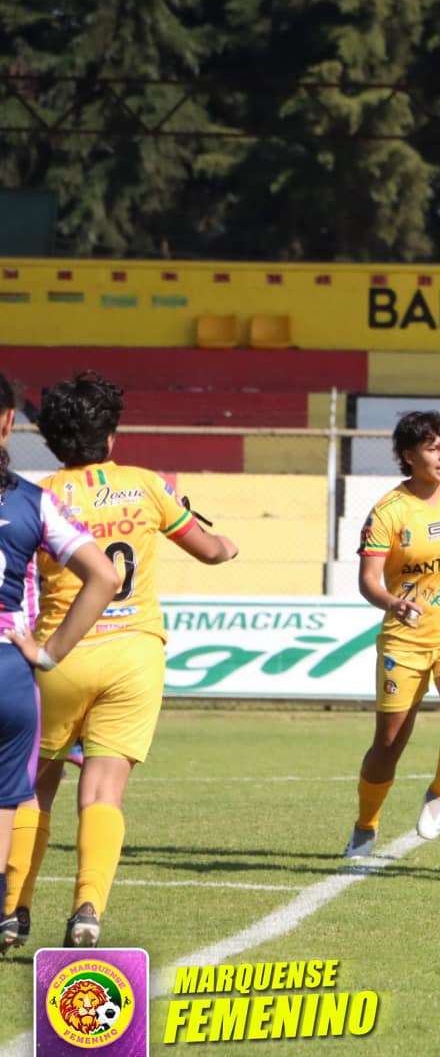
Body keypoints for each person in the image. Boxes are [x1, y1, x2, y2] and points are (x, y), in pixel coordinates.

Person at [3, 372, 236, 948]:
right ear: (111, 436)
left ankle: (12, 909)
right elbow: (212, 551)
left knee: (30, 789)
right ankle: (87, 909)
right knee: (104, 792)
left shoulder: (39, 492)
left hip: (61, 654)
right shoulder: (147, 485)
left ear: (49, 439)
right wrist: (220, 539)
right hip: (134, 655)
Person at [0, 374, 119, 955]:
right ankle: (13, 906)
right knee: (12, 796)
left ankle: (13, 910)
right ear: (9, 423)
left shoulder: (44, 490)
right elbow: (106, 575)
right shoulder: (32, 500)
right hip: (14, 668)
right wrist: (47, 652)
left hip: (33, 671)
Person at [345, 411, 440, 858]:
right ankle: (365, 826)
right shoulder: (388, 511)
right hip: (406, 638)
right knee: (389, 744)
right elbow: (368, 580)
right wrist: (393, 603)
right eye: (432, 448)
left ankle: (439, 792)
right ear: (408, 456)